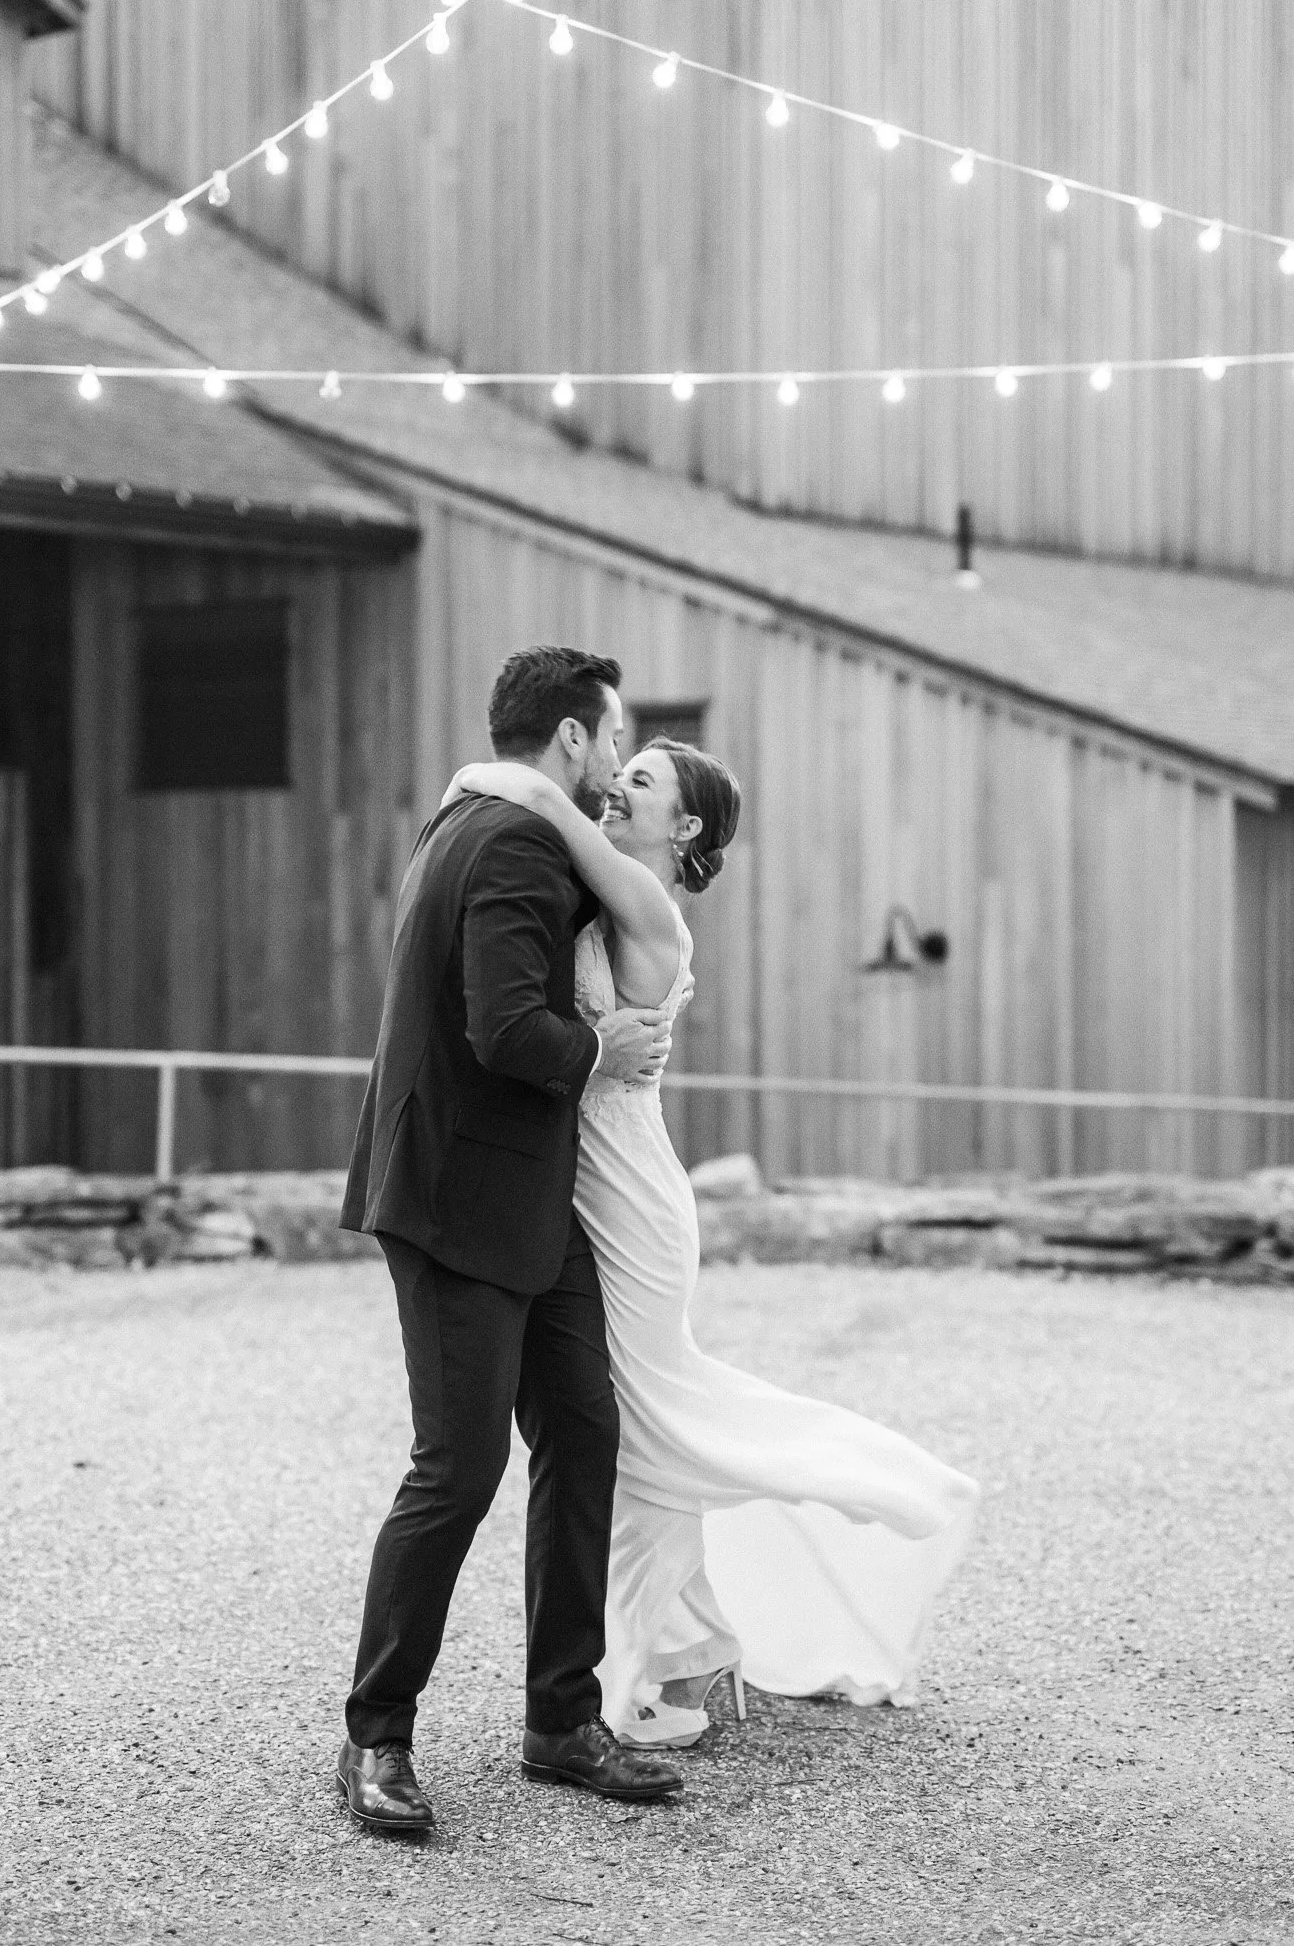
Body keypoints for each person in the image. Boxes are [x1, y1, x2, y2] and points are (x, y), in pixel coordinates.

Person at [447, 736, 980, 1750]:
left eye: (641, 781)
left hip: (630, 1200)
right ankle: (686, 1649)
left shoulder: (651, 911)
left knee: (642, 1437)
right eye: (622, 770)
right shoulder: (594, 900)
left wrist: (497, 779)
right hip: (580, 1188)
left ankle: (662, 1660)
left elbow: (553, 815)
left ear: (684, 827)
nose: (616, 787)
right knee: (630, 1433)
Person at [335, 647, 685, 1835]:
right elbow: (502, 1027)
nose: (615, 761)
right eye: (613, 736)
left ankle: (559, 1722)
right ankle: (375, 1737)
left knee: (582, 1431)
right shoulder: (514, 845)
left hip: (530, 1200)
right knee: (457, 1468)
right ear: (572, 738)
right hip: (452, 1199)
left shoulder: (481, 819)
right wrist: (602, 1049)